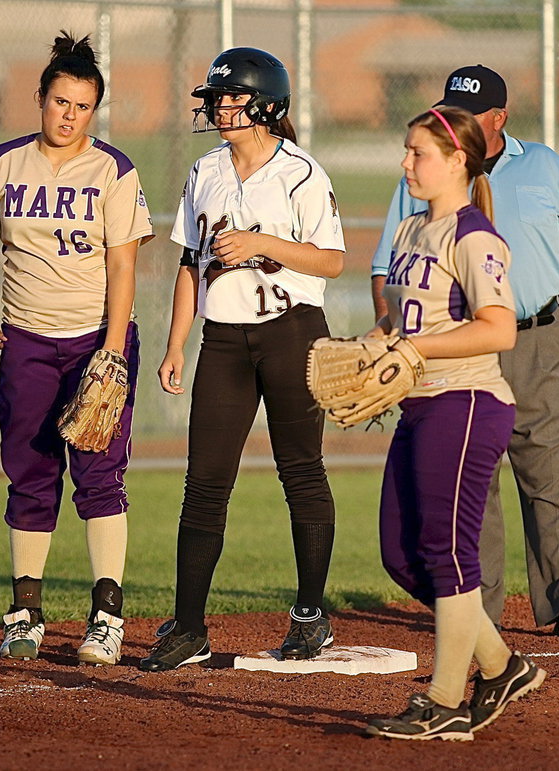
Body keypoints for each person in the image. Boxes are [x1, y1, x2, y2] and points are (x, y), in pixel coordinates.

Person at [371, 65, 559, 637]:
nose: (453, 122)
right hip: (454, 347)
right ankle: (476, 609)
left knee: (545, 471)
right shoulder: (428, 171)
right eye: (448, 108)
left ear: (498, 119)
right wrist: (391, 333)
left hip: (535, 339)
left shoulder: (544, 166)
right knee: (473, 483)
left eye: (469, 112)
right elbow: (388, 265)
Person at [0, 31, 153, 665]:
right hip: (28, 343)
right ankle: (26, 613)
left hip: (96, 341)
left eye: (84, 106)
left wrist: (113, 351)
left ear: (95, 110)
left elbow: (124, 267)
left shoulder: (113, 169)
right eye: (61, 102)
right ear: (41, 99)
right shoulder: (3, 163)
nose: (70, 116)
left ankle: (106, 616)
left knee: (99, 476)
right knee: (31, 476)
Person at [138, 47, 345, 672]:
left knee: (301, 472)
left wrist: (262, 243)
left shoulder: (302, 172)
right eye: (217, 98)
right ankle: (190, 627)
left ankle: (311, 614)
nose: (220, 107)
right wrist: (178, 341)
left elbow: (332, 260)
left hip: (292, 331)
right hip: (224, 338)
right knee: (203, 483)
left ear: (267, 104)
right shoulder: (205, 171)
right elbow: (187, 264)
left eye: (233, 98)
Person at [364, 106, 545, 741]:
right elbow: (409, 322)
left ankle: (445, 703)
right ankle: (500, 665)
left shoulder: (475, 237)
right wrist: (372, 345)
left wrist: (415, 351)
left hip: (467, 404)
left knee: (447, 553)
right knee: (400, 553)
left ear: (458, 160)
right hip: (422, 403)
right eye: (407, 150)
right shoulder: (412, 229)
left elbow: (497, 327)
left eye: (419, 153)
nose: (406, 163)